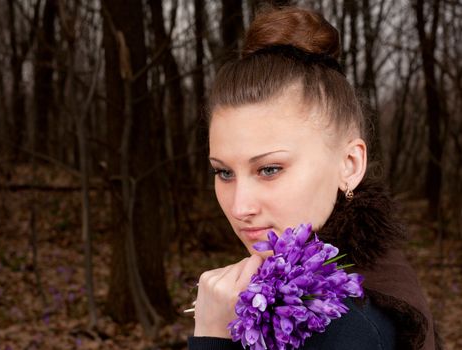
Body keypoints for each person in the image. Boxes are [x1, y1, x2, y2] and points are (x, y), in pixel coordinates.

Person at [187, 5, 439, 350]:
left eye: (269, 169)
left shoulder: (347, 324)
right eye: (224, 172)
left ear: (349, 164)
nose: (239, 206)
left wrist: (212, 336)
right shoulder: (372, 271)